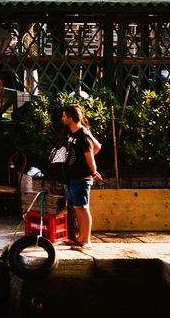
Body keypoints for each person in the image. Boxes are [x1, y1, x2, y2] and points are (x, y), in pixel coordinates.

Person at [62, 104, 102, 250]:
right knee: (77, 208)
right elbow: (98, 146)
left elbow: (91, 156)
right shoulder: (72, 133)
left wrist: (92, 170)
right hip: (72, 176)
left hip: (81, 178)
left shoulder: (83, 135)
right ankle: (81, 237)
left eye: (64, 116)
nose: (62, 118)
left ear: (70, 118)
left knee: (83, 208)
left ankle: (87, 240)